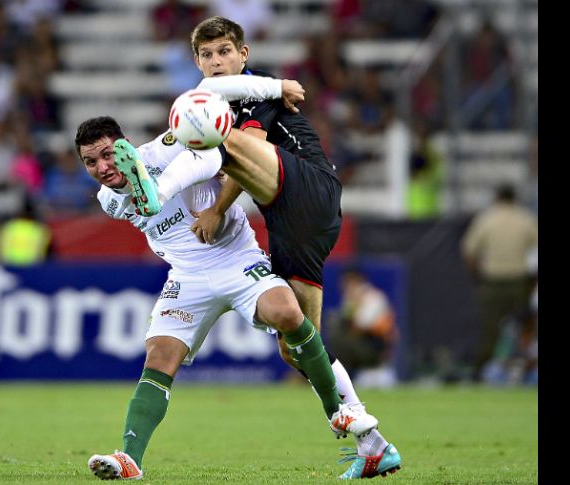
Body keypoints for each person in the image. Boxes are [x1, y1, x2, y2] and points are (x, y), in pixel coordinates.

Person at [114, 16, 401, 480]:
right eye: (207, 55)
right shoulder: (225, 98)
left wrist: (211, 211)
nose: (216, 61)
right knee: (299, 345)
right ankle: (373, 444)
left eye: (225, 51)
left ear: (243, 55)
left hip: (308, 184)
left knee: (209, 127)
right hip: (291, 225)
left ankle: (155, 192)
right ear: (197, 61)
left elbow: (243, 150)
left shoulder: (248, 92)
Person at [77, 116, 378, 481]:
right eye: (91, 162)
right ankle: (129, 458)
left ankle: (337, 410)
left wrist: (219, 195)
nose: (103, 167)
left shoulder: (162, 150)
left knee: (287, 313)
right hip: (187, 278)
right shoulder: (108, 200)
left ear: (125, 146)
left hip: (235, 257)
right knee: (158, 358)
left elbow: (213, 149)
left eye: (108, 154)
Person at [461, 184, 538, 382]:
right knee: (524, 330)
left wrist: (477, 276)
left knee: (490, 329)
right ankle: (523, 372)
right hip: (520, 281)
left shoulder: (487, 219)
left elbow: (469, 251)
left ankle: (481, 373)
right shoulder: (526, 219)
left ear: (496, 197)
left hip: (493, 281)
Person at [327, 269, 399, 388]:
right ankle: (337, 377)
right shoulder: (349, 300)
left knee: (338, 335)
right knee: (335, 330)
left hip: (373, 347)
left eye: (348, 283)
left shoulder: (373, 297)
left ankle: (336, 377)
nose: (345, 287)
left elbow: (363, 325)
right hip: (358, 346)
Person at [0, 197, 51, 266]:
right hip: (30, 268)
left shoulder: (6, 228)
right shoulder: (40, 230)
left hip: (8, 266)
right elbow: (41, 255)